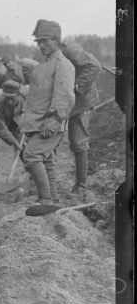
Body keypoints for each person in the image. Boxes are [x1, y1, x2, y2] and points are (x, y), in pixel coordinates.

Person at [20, 20, 75, 204]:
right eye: (38, 42)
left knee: (31, 156)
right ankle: (53, 199)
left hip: (48, 124)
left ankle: (45, 200)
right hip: (37, 123)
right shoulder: (44, 65)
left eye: (45, 41)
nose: (40, 45)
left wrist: (51, 123)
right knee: (47, 160)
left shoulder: (62, 64)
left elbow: (65, 97)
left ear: (56, 40)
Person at [61, 41, 102, 196]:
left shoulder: (70, 50)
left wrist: (77, 86)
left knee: (78, 141)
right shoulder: (55, 57)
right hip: (70, 103)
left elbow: (95, 66)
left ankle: (81, 186)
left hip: (82, 102)